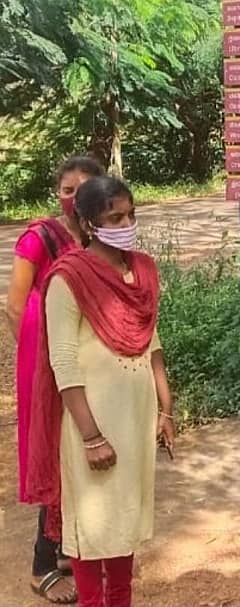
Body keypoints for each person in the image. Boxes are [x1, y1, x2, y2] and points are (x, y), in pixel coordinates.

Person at [26, 175, 176, 607]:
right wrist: (91, 436)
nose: (126, 223)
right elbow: (64, 363)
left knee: (124, 520)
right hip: (89, 422)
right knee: (91, 526)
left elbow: (152, 339)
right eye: (115, 217)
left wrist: (165, 408)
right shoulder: (68, 279)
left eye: (131, 214)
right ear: (90, 223)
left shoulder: (141, 269)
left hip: (135, 416)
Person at [6, 155, 104, 604]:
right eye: (66, 189)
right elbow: (14, 305)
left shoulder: (97, 233)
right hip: (45, 356)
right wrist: (41, 364)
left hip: (77, 355)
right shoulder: (41, 236)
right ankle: (42, 564)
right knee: (54, 445)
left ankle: (67, 548)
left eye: (82, 187)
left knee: (75, 445)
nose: (73, 196)